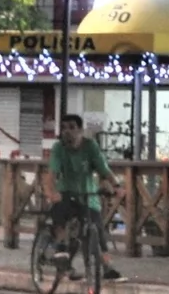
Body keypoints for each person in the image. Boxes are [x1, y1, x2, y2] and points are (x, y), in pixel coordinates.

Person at [42, 115, 121, 281]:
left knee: (98, 231)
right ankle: (60, 249)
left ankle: (107, 267)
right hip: (66, 192)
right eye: (64, 128)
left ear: (80, 130)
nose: (67, 132)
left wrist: (117, 187)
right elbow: (52, 173)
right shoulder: (59, 148)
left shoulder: (90, 146)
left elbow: (103, 169)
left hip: (87, 195)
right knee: (61, 212)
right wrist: (51, 192)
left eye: (71, 127)